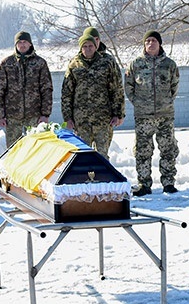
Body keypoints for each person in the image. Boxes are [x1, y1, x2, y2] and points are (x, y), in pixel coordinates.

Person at [125, 31, 179, 196]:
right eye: (147, 41)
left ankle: (168, 183)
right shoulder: (136, 64)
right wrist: (140, 103)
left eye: (154, 40)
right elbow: (129, 87)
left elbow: (174, 86)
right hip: (143, 116)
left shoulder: (169, 65)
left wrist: (166, 101)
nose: (150, 43)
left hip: (165, 115)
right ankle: (144, 183)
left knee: (168, 149)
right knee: (143, 150)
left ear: (160, 43)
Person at [61, 33, 125, 158]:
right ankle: (85, 178)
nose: (88, 48)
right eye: (85, 46)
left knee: (102, 156)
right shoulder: (74, 64)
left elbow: (116, 89)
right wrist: (67, 117)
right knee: (82, 156)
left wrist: (118, 114)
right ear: (81, 48)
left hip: (103, 118)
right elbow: (67, 93)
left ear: (96, 46)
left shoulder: (107, 62)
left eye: (91, 45)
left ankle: (103, 178)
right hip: (81, 120)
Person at [0, 30, 53, 148]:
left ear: (30, 44)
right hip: (12, 117)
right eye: (19, 42)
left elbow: (46, 89)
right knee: (13, 150)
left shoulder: (40, 63)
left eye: (25, 42)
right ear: (16, 45)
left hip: (34, 116)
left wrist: (45, 114)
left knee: (35, 148)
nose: (22, 45)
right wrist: (0, 116)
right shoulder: (7, 63)